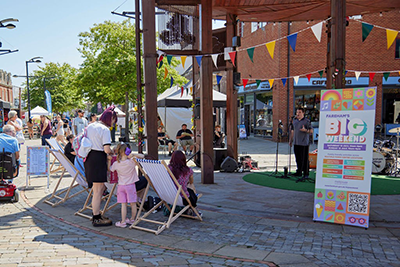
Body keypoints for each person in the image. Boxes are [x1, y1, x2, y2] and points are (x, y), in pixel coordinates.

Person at [84, 106, 117, 227]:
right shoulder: (105, 129)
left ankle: (96, 214)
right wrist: (112, 151)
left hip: (89, 157)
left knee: (97, 189)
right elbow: (106, 149)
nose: (114, 123)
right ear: (111, 118)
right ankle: (96, 217)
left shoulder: (90, 126)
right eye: (114, 120)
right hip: (98, 159)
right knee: (98, 191)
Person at [108, 143, 144, 228]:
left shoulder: (116, 163)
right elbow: (142, 156)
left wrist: (109, 160)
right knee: (133, 203)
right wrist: (133, 155)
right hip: (130, 186)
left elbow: (110, 169)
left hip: (121, 186)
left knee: (123, 204)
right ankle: (132, 219)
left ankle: (123, 221)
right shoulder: (131, 162)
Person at [289, 108, 313, 181]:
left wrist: (305, 130)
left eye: (299, 112)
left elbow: (311, 131)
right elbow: (292, 131)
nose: (298, 114)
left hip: (304, 143)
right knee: (298, 158)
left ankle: (306, 173)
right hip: (296, 142)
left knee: (304, 159)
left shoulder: (307, 121)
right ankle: (299, 172)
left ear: (303, 113)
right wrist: (290, 140)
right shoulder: (295, 121)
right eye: (297, 112)